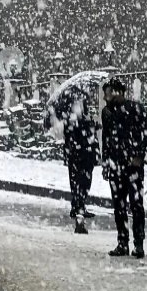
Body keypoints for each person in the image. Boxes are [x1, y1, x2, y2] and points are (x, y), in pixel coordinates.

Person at [101, 78, 147, 258]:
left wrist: (139, 155)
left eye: (107, 93)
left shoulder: (136, 109)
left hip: (133, 166)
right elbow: (106, 139)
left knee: (136, 205)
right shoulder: (106, 112)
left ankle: (138, 244)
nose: (104, 97)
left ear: (117, 92)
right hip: (115, 165)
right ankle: (122, 242)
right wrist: (105, 163)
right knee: (119, 206)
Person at [47, 80, 99, 234]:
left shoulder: (83, 110)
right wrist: (82, 126)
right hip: (77, 151)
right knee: (78, 179)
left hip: (85, 150)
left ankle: (80, 205)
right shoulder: (70, 112)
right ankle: (78, 207)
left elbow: (84, 127)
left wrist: (93, 126)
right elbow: (71, 130)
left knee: (85, 179)